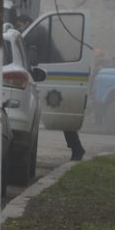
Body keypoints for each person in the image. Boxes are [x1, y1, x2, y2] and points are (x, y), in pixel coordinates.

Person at [16, 14, 86, 161]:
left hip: (49, 76)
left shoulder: (36, 33)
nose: (19, 28)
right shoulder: (40, 31)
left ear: (27, 22)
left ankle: (77, 148)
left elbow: (28, 50)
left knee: (59, 114)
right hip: (50, 74)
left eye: (20, 25)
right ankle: (76, 147)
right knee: (60, 115)